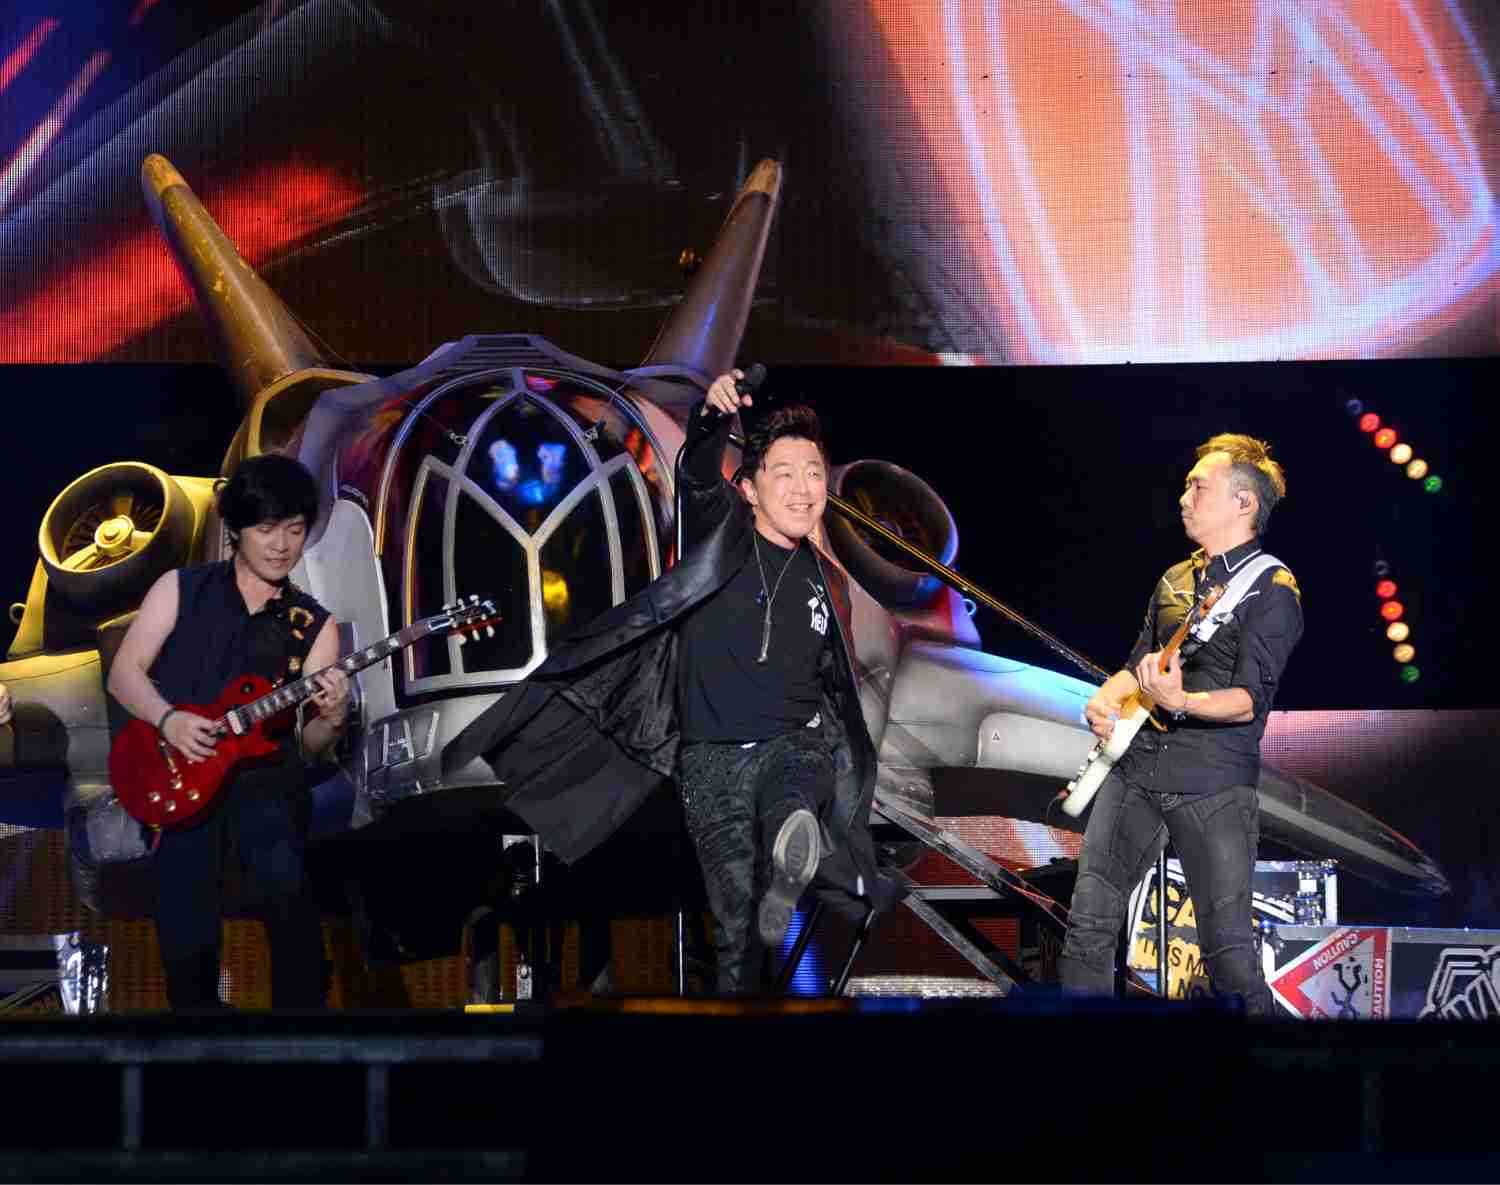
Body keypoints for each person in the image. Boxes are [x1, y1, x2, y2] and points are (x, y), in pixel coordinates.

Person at [445, 368, 900, 993]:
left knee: (792, 786)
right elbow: (697, 475)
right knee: (736, 929)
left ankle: (791, 842)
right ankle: (759, 952)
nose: (803, 489)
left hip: (791, 748)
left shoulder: (830, 583)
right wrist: (710, 420)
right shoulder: (722, 537)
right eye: (785, 474)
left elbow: (835, 686)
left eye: (815, 474)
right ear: (749, 489)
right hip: (709, 765)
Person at [1058, 433, 1302, 1015]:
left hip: (1212, 785)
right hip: (1137, 771)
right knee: (1088, 925)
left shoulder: (1273, 589)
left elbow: (1248, 701)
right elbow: (1136, 665)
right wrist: (1105, 700)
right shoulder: (1172, 579)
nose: (1183, 498)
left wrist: (1182, 700)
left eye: (1198, 487)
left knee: (1228, 957)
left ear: (1243, 503)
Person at [107, 453, 349, 1010]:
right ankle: (197, 1040)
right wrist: (168, 719)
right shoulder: (180, 588)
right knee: (185, 931)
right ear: (236, 529)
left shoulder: (314, 626)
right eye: (267, 529)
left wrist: (332, 719)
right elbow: (124, 675)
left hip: (266, 785)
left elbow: (309, 749)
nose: (282, 545)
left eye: (295, 530)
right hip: (179, 777)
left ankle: (299, 1041)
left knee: (291, 908)